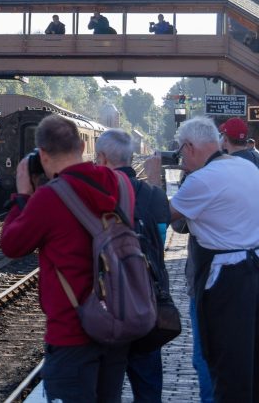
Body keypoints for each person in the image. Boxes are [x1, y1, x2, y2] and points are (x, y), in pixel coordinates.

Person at [0, 115, 132, 402]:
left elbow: (11, 245)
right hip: (117, 324)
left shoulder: (48, 199)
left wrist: (22, 196)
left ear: (43, 154)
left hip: (72, 333)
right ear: (84, 145)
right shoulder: (121, 184)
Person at [169, 116, 259, 402]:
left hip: (225, 279)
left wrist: (155, 176)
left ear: (190, 147)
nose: (181, 156)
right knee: (249, 361)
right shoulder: (246, 167)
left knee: (223, 360)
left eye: (182, 150)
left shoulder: (203, 179)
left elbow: (166, 215)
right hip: (253, 268)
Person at [95, 130, 171, 403]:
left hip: (104, 308)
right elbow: (159, 243)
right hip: (145, 303)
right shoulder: (154, 195)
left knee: (104, 389)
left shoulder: (91, 195)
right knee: (148, 389)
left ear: (101, 158)